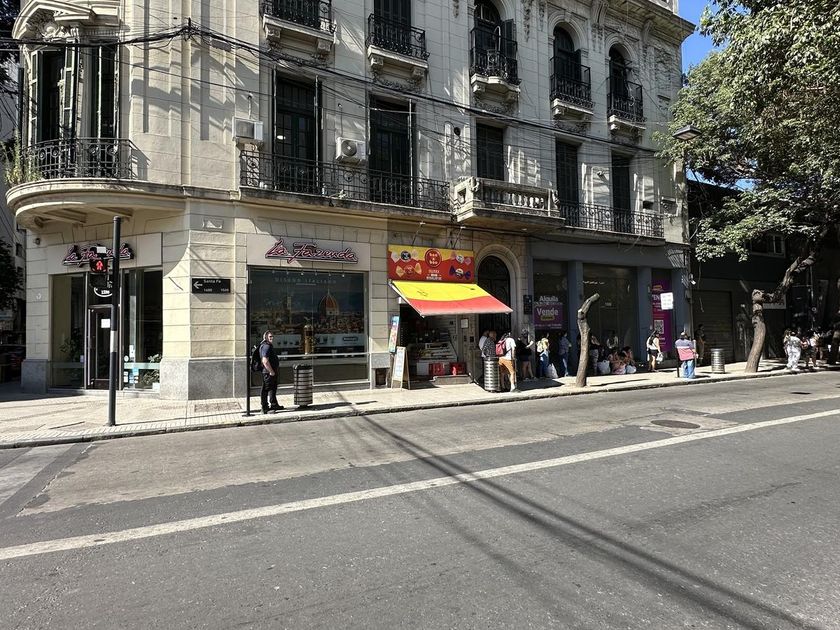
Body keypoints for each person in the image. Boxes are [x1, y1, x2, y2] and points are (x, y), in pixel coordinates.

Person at [259, 330, 283, 414]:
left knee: (273, 388)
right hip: (268, 372)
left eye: (272, 336)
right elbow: (265, 361)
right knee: (266, 389)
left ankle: (274, 404)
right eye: (270, 337)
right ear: (265, 337)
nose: (272, 338)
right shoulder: (266, 346)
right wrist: (271, 371)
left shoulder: (267, 345)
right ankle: (264, 408)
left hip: (270, 371)